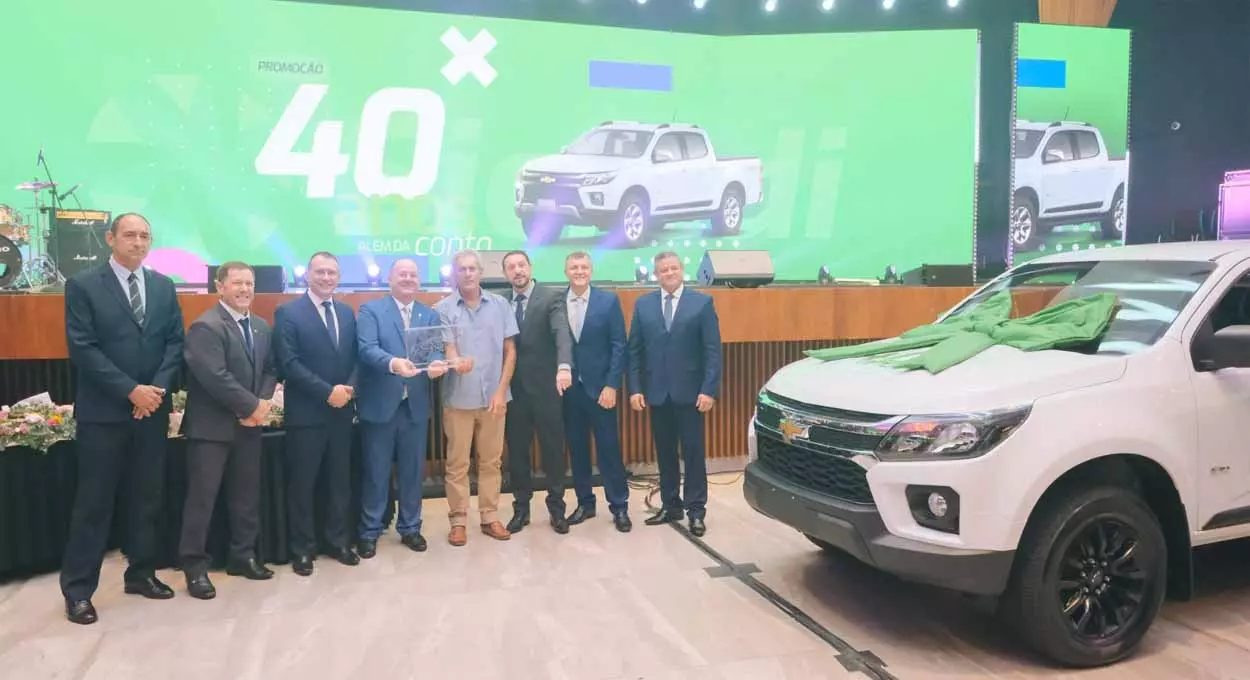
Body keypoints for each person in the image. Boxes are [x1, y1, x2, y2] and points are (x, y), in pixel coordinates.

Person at [59, 213, 185, 625]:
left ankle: (141, 573)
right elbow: (83, 348)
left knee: (147, 497)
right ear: (110, 238)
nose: (138, 242)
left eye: (145, 235)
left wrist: (155, 391)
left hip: (151, 412)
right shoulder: (83, 285)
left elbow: (174, 344)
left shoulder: (163, 286)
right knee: (94, 504)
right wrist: (131, 390)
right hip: (105, 414)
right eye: (130, 234)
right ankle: (78, 591)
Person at [179, 262, 279, 599]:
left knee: (245, 496)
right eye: (237, 283)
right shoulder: (205, 327)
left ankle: (243, 556)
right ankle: (195, 568)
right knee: (202, 500)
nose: (244, 289)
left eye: (249, 283)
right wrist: (251, 407)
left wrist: (261, 403)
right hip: (211, 429)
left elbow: (270, 369)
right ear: (220, 287)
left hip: (249, 427)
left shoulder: (261, 326)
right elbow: (215, 377)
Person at [273, 251, 361, 575]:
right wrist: (327, 392)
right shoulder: (288, 312)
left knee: (339, 482)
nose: (326, 278)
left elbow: (357, 358)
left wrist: (349, 389)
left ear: (339, 277)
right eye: (320, 272)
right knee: (303, 485)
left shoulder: (347, 312)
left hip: (341, 414)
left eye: (332, 273)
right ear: (307, 275)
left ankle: (338, 541)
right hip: (306, 415)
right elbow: (289, 363)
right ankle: (303, 549)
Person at [355, 258, 448, 557]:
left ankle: (410, 527)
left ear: (419, 281)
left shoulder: (428, 314)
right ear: (390, 279)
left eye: (413, 275)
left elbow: (434, 348)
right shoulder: (371, 311)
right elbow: (367, 349)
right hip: (380, 404)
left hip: (415, 407)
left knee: (412, 471)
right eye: (402, 274)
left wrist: (436, 362)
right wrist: (393, 363)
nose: (408, 279)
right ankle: (370, 530)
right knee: (376, 472)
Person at [627, 251, 722, 537]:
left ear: (682, 270)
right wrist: (635, 389)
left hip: (691, 394)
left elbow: (712, 351)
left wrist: (708, 390)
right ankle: (671, 505)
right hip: (657, 394)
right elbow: (634, 351)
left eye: (673, 268)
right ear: (656, 275)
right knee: (665, 453)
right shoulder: (643, 305)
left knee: (693, 454)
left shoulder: (702, 303)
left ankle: (696, 511)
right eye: (663, 270)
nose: (668, 273)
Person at [434, 249, 517, 546]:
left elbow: (510, 351)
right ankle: (458, 521)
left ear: (481, 272)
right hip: (459, 399)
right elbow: (449, 349)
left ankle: (489, 516)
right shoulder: (442, 309)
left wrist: (501, 391)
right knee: (457, 464)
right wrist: (456, 361)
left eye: (472, 268)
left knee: (491, 462)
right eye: (462, 269)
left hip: (495, 399)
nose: (468, 273)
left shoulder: (500, 305)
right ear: (455, 274)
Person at [501, 250, 574, 535]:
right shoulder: (500, 302)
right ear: (505, 273)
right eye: (511, 267)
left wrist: (564, 366)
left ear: (530, 267)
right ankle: (521, 509)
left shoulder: (551, 297)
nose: (517, 270)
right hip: (513, 391)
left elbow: (562, 333)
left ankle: (557, 509)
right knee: (517, 453)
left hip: (546, 389)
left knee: (553, 451)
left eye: (521, 265)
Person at [562, 251, 631, 532]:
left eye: (583, 267)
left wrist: (612, 385)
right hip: (569, 391)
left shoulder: (608, 301)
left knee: (609, 450)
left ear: (591, 270)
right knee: (577, 450)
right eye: (574, 267)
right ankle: (585, 503)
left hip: (601, 390)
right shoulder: (557, 302)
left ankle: (620, 506)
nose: (579, 271)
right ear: (566, 272)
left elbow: (619, 345)